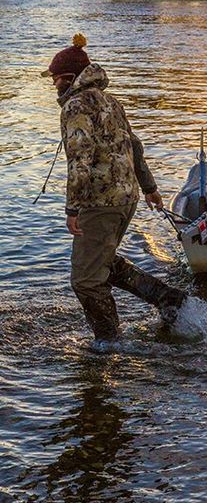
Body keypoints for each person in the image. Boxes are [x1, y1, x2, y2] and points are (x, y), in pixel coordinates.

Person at [41, 33, 186, 342]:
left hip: (100, 202)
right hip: (126, 197)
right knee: (102, 263)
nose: (54, 85)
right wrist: (149, 187)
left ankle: (108, 342)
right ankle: (166, 298)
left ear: (67, 77)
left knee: (86, 280)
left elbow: (81, 159)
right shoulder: (110, 100)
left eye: (54, 79)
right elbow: (134, 145)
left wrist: (72, 208)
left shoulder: (75, 107)